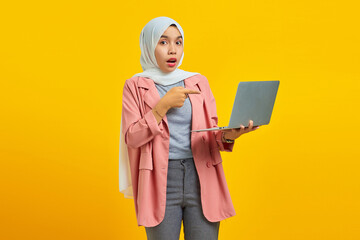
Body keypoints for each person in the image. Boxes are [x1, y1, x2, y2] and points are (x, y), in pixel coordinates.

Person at [119, 16, 259, 240]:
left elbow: (211, 133)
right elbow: (132, 138)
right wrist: (162, 106)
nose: (172, 50)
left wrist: (229, 136)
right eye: (163, 42)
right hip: (160, 180)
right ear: (148, 44)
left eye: (178, 42)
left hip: (201, 176)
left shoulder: (197, 81)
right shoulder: (135, 85)